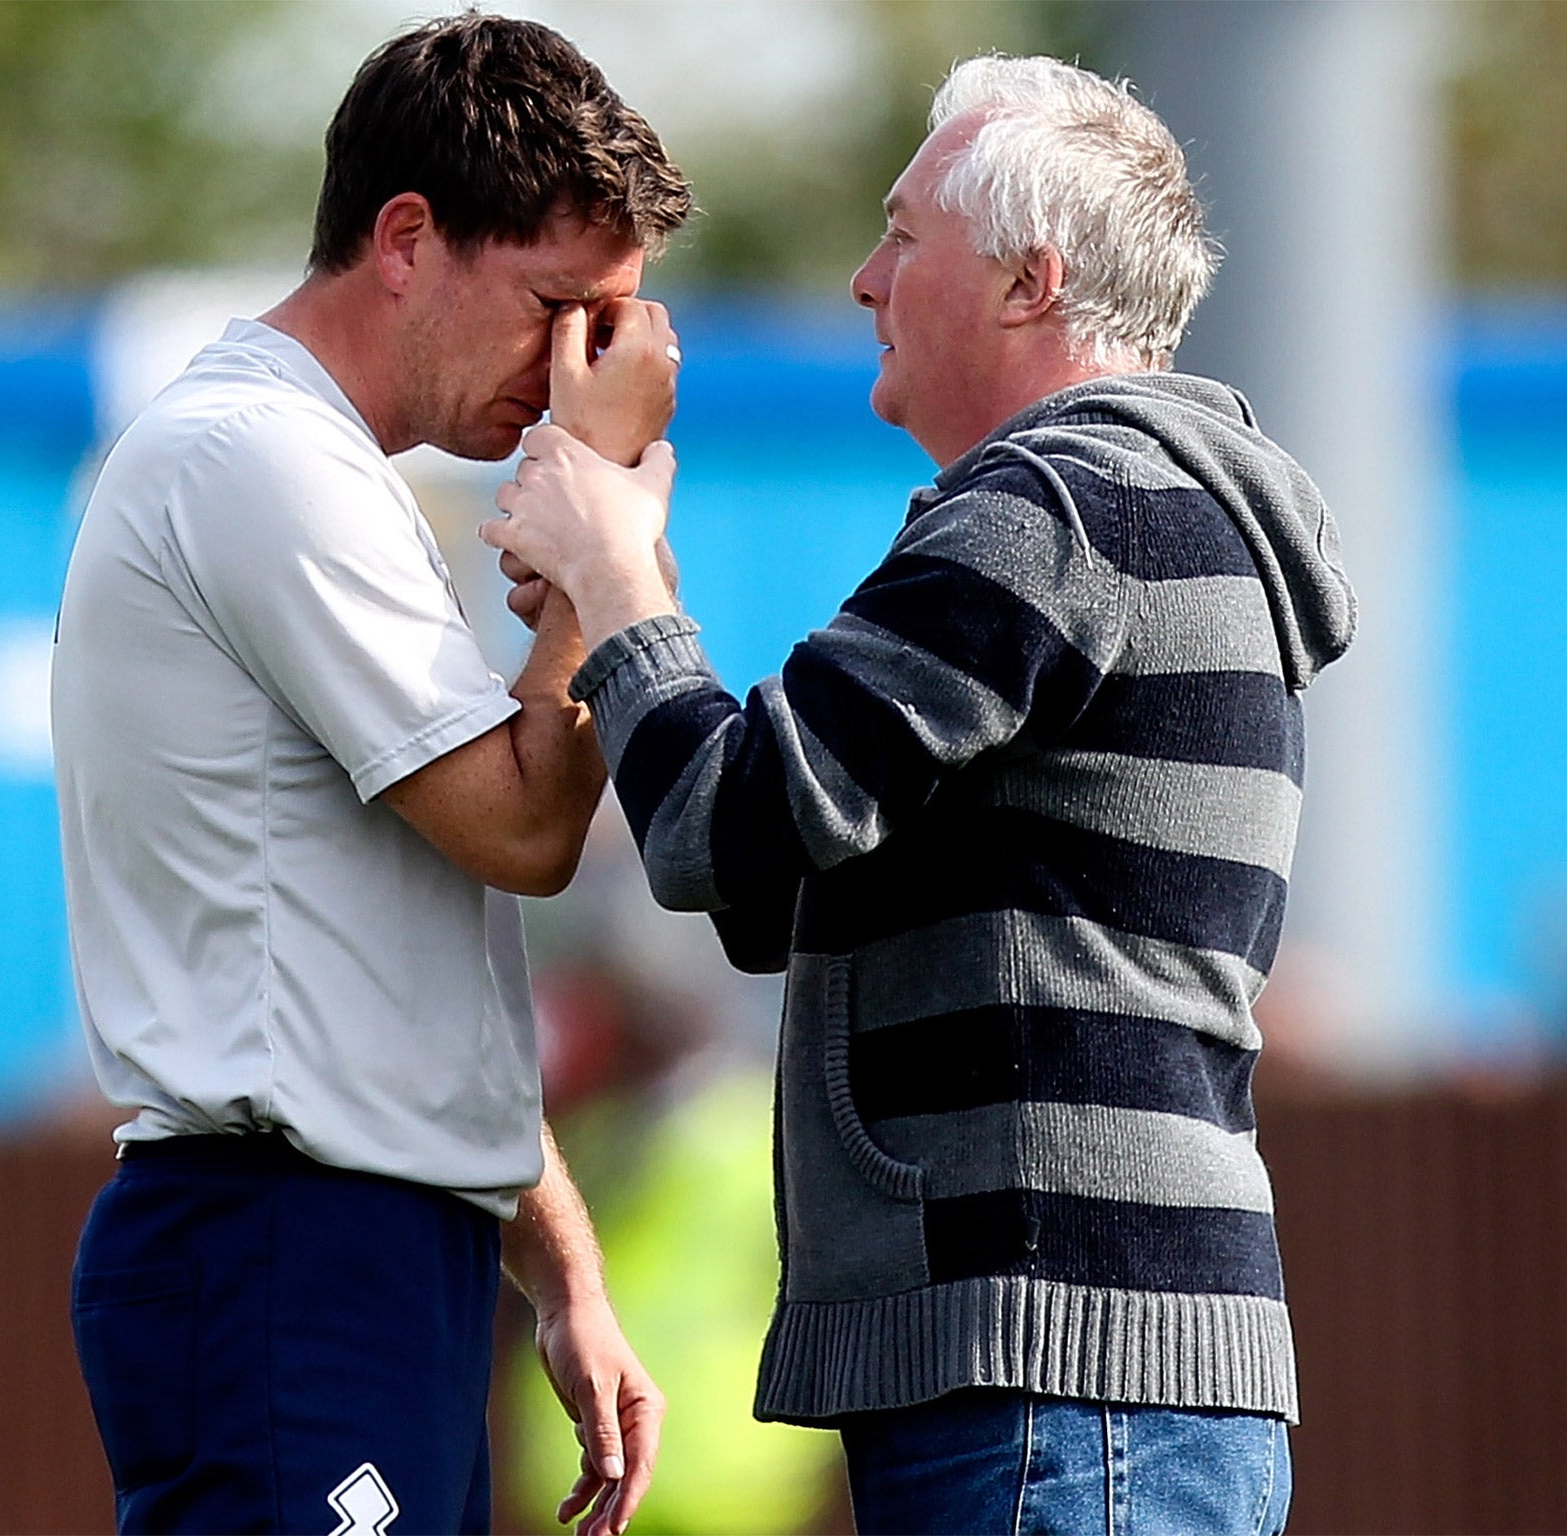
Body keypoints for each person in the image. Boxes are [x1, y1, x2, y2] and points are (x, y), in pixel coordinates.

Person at [484, 53, 1356, 1536]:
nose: (861, 278)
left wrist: (614, 571)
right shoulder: (1123, 504)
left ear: (1030, 280)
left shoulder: (1054, 508)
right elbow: (781, 883)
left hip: (1054, 1364)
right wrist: (627, 591)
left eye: (902, 233)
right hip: (1098, 1372)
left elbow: (724, 827)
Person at [51, 15, 689, 1535]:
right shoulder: (258, 461)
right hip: (283, 1242)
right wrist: (602, 534)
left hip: (354, 1247)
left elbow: (400, 959)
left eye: (607, 327)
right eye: (556, 308)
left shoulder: (328, 471)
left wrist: (561, 1272)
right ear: (407, 237)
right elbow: (527, 829)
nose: (570, 371)